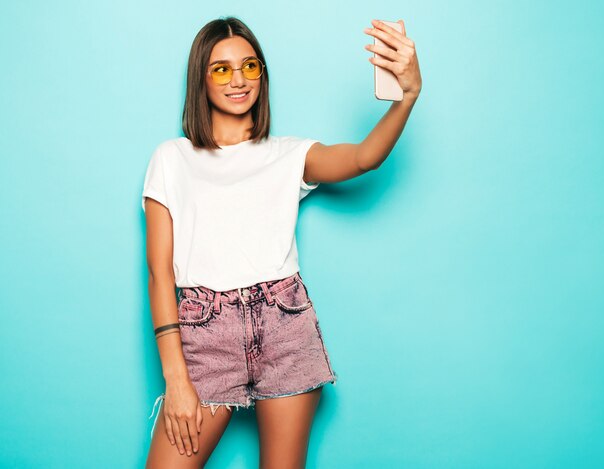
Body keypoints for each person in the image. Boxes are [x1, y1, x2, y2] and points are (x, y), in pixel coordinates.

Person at [143, 15, 422, 468]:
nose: (239, 80)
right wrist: (176, 379)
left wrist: (407, 97)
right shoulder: (171, 159)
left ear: (262, 74)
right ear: (201, 78)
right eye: (222, 69)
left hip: (283, 326)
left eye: (250, 67)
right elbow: (159, 274)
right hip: (204, 333)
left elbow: (363, 158)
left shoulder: (290, 154)